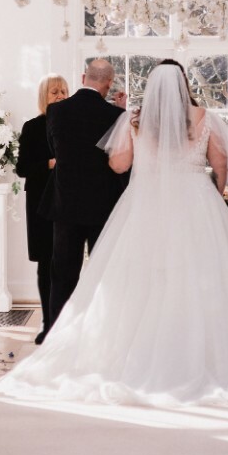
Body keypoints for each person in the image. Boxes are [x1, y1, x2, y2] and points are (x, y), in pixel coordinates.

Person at [0, 63, 228, 406]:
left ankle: (136, 353)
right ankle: (200, 353)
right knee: (198, 277)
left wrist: (137, 151)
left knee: (140, 278)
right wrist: (215, 195)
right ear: (183, 85)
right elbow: (222, 165)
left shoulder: (135, 120)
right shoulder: (205, 117)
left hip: (145, 202)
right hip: (195, 202)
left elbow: (118, 165)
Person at [41, 59, 127, 330]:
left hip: (65, 202)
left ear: (82, 78)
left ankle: (57, 332)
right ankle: (101, 331)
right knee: (103, 274)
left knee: (63, 274)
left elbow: (54, 149)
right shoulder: (115, 115)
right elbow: (119, 160)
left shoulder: (56, 110)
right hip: (103, 205)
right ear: (109, 83)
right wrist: (121, 114)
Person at [15, 74, 69, 345]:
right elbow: (22, 168)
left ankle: (65, 325)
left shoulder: (72, 123)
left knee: (65, 266)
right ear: (43, 97)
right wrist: (48, 164)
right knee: (46, 265)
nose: (60, 96)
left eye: (63, 91)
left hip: (67, 203)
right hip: (40, 204)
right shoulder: (32, 127)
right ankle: (48, 325)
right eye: (54, 92)